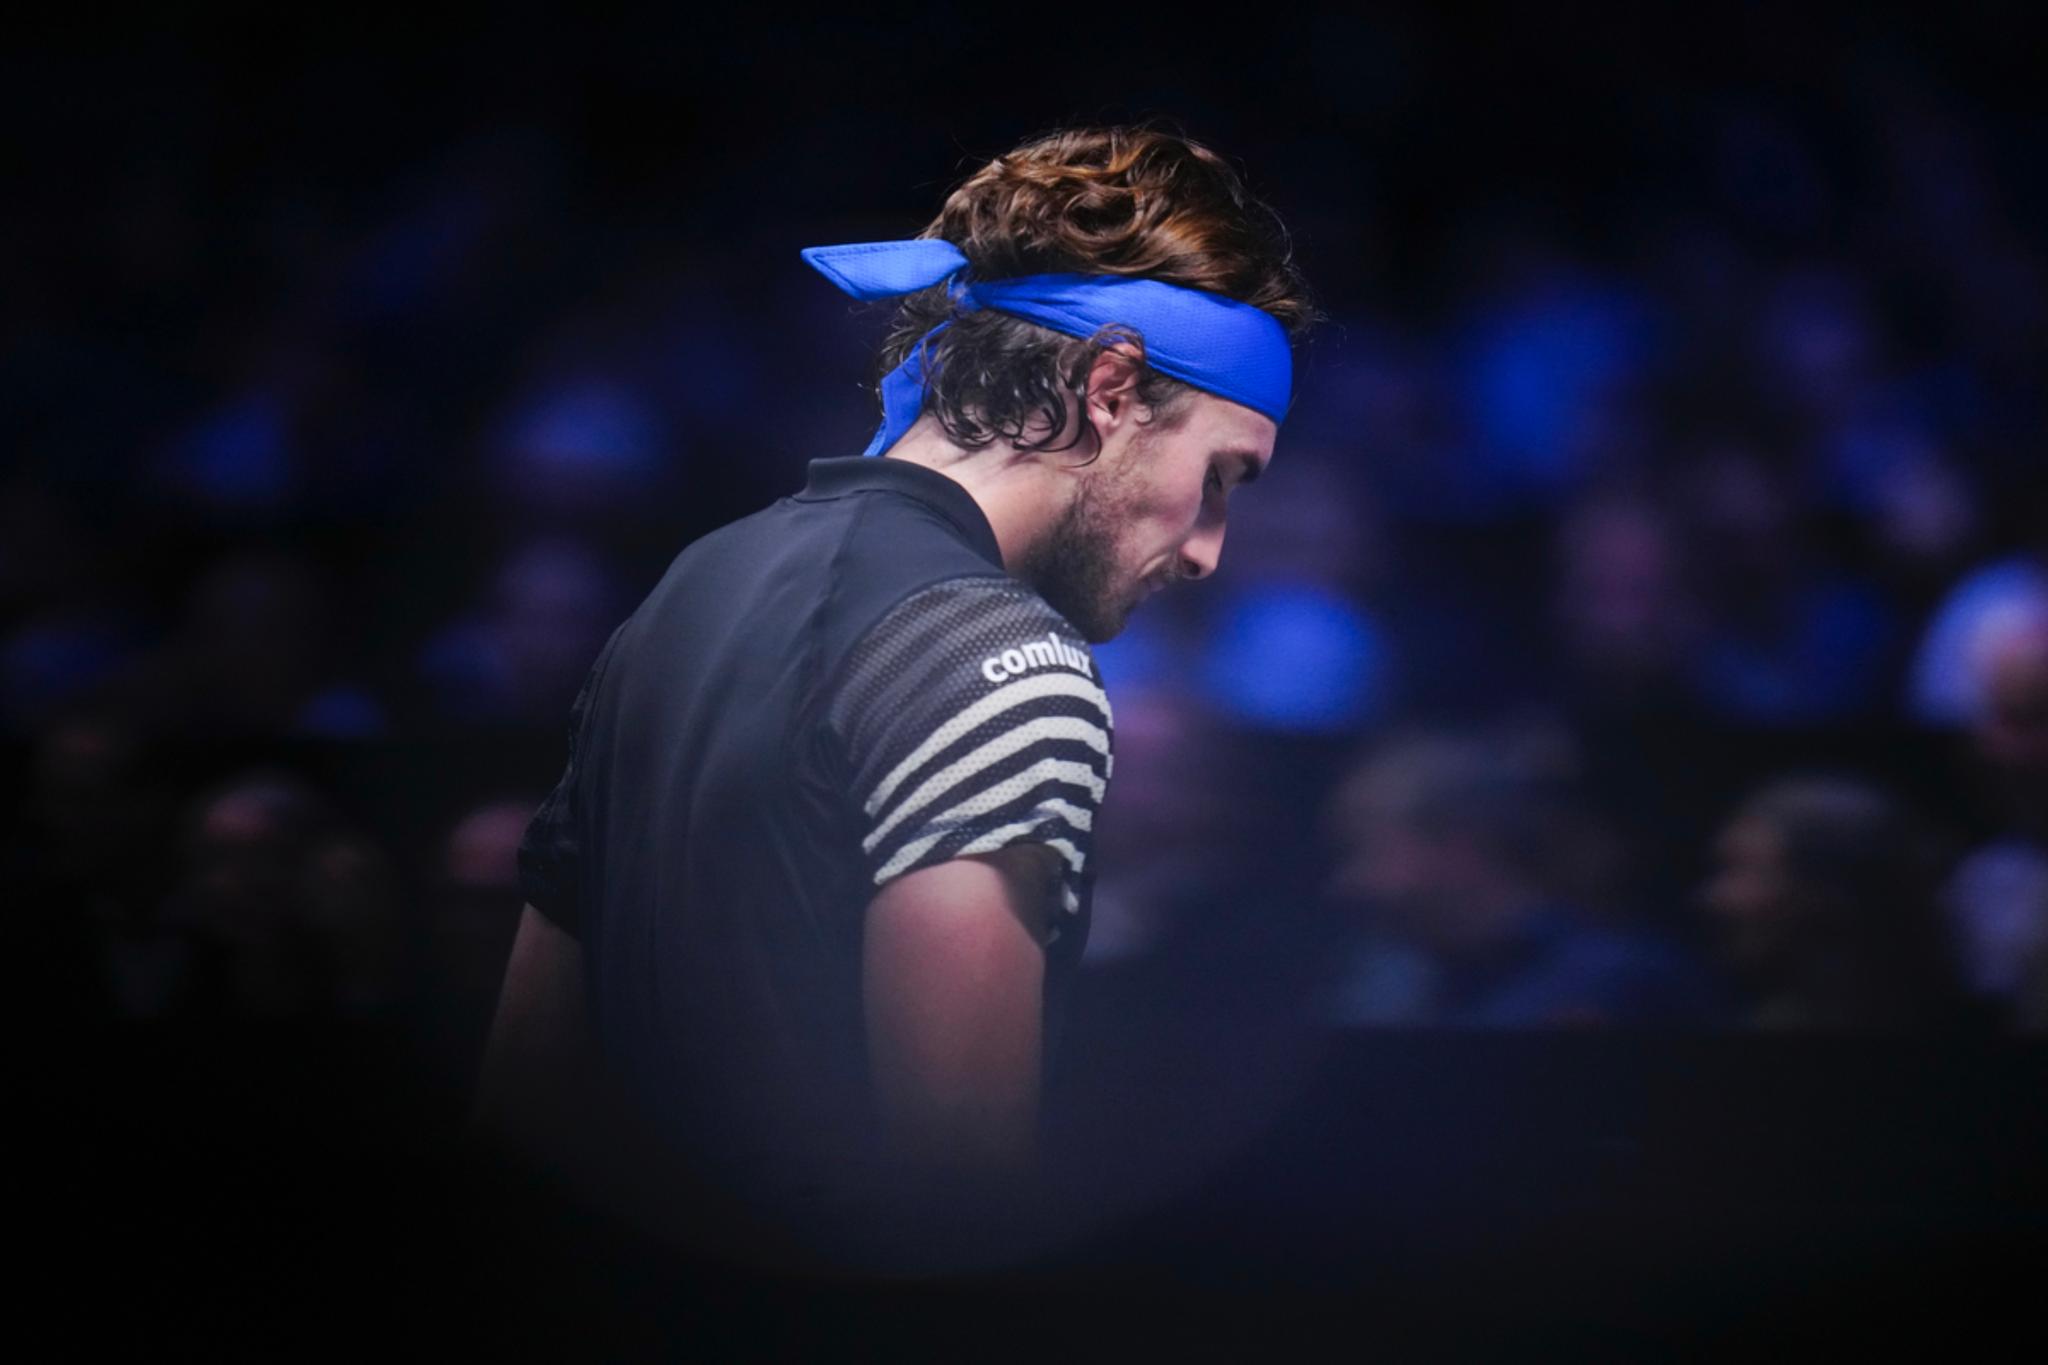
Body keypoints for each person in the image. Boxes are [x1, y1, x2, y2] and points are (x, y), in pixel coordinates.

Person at [470, 126, 1316, 1273]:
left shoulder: (690, 584)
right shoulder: (1000, 657)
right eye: (1217, 477)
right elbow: (950, 1189)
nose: (1211, 549)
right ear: (1110, 388)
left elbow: (522, 1097)